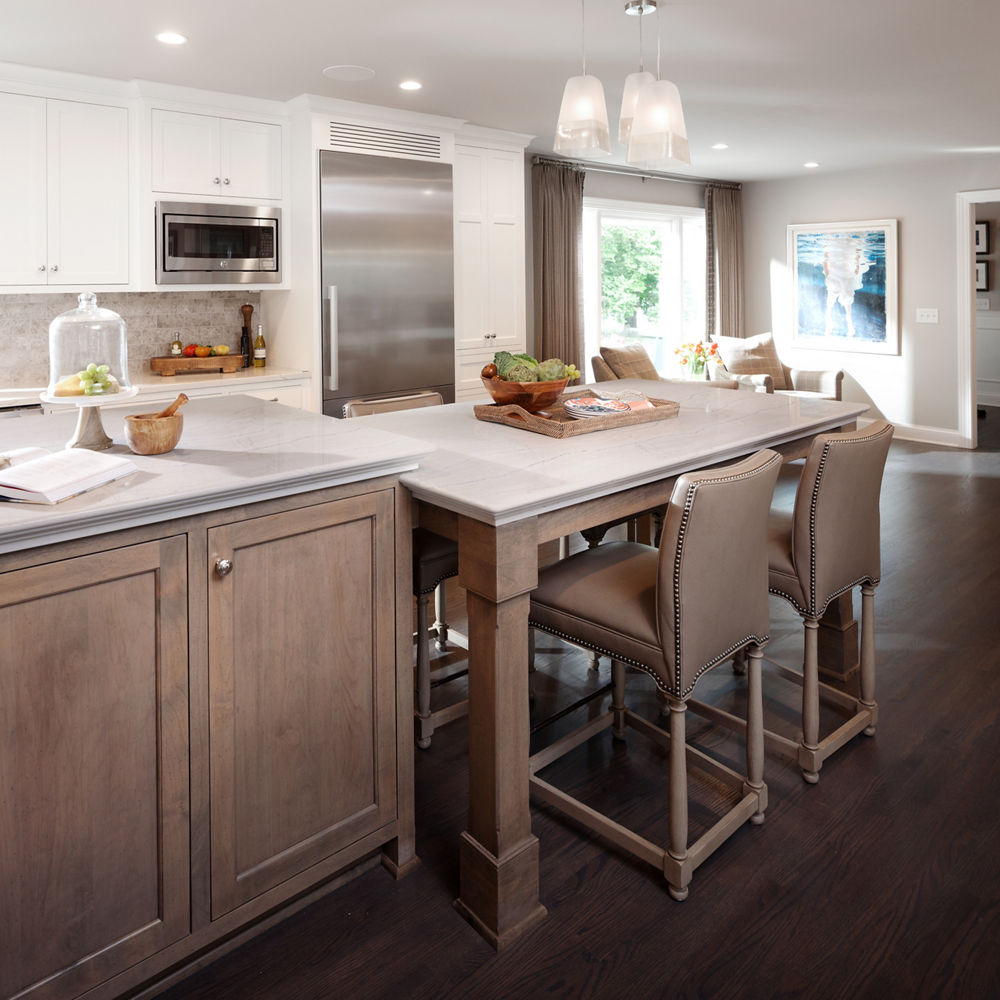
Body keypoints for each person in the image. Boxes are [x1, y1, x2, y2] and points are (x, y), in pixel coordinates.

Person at [823, 241, 870, 338]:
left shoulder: (838, 254)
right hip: (843, 276)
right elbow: (856, 268)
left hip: (839, 276)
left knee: (831, 304)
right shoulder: (846, 254)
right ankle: (847, 324)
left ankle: (834, 324)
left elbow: (826, 262)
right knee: (842, 303)